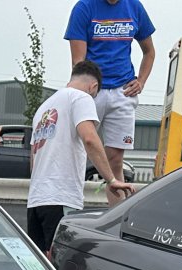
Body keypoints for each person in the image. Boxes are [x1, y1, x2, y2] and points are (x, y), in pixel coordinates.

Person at [26, 60, 134, 256]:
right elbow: (90, 139)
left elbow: (33, 158)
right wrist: (111, 180)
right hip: (61, 197)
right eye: (95, 95)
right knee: (61, 262)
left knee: (39, 266)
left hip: (36, 200)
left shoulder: (44, 108)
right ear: (93, 86)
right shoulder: (81, 98)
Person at [65, 0, 155, 183]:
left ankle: (117, 198)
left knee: (115, 161)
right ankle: (69, 198)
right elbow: (78, 61)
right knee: (77, 151)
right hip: (92, 90)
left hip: (123, 91)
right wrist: (82, 91)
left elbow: (149, 52)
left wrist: (141, 81)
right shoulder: (84, 7)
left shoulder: (134, 6)